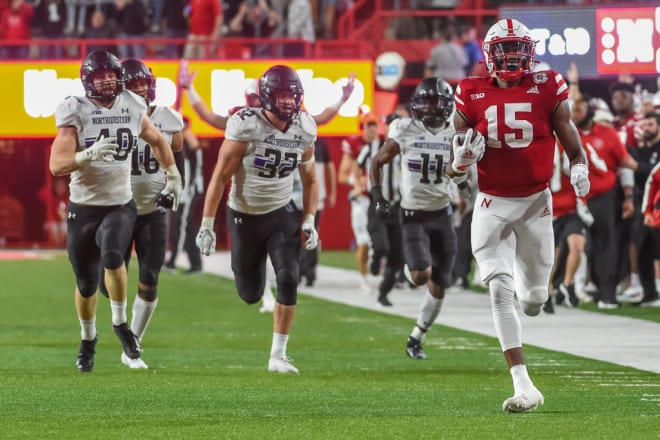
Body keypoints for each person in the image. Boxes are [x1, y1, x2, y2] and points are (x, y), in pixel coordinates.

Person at [446, 18, 590, 412]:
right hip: (491, 203)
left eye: (517, 49)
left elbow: (570, 137)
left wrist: (579, 166)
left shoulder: (547, 86)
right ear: (489, 54)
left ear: (529, 52)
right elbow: (451, 168)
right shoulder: (470, 91)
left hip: (536, 203)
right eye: (503, 49)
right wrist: (459, 162)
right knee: (498, 288)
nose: (511, 57)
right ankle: (524, 384)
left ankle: (535, 296)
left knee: (533, 298)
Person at [49, 50, 182, 373]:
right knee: (86, 284)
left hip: (120, 204)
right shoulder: (75, 110)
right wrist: (86, 155)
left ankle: (122, 325)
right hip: (84, 205)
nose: (108, 80)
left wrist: (173, 173)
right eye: (100, 76)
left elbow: (158, 140)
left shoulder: (132, 105)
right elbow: (56, 165)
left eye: (112, 74)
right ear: (87, 80)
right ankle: (88, 339)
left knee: (112, 256)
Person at [195, 65, 319, 374]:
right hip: (245, 215)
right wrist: (207, 224)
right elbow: (220, 176)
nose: (289, 102)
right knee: (249, 294)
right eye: (281, 95)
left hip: (281, 212)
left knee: (290, 277)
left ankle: (278, 355)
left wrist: (310, 219)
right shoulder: (246, 125)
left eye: (292, 96)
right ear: (266, 96)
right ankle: (256, 289)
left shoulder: (304, 127)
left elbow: (312, 180)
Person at [97, 58, 185, 369]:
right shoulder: (112, 116)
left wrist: (175, 186)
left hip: (153, 209)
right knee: (106, 281)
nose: (140, 90)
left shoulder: (169, 119)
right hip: (117, 206)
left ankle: (133, 343)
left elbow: (178, 157)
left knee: (149, 278)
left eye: (144, 85)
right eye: (133, 85)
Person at [370, 77, 460, 355]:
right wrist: (377, 195)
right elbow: (378, 161)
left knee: (440, 284)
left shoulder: (456, 132)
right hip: (412, 215)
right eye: (426, 101)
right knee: (421, 274)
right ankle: (406, 269)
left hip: (443, 214)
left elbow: (468, 170)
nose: (431, 108)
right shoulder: (406, 130)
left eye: (436, 101)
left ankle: (416, 336)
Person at [358, 112, 402, 307]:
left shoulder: (408, 147)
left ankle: (384, 292)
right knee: (383, 246)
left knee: (397, 256)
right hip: (377, 204)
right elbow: (356, 167)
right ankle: (376, 258)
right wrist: (358, 184)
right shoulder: (372, 148)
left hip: (398, 205)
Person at [164, 116, 204, 274]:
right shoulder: (181, 142)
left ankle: (173, 261)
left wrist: (185, 189)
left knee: (180, 224)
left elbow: (192, 167)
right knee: (186, 226)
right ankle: (196, 264)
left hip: (190, 189)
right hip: (187, 188)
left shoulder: (190, 143)